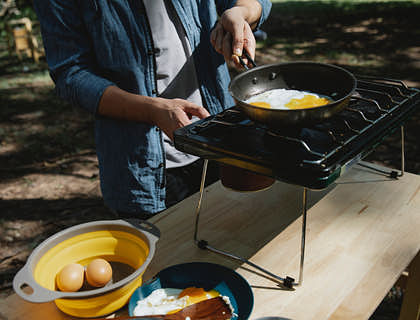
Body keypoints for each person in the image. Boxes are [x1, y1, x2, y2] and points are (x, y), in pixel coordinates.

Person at [33, 0, 272, 218]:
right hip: (142, 167)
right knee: (166, 260)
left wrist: (240, 13)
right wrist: (152, 110)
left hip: (221, 143)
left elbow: (256, 3)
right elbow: (72, 75)